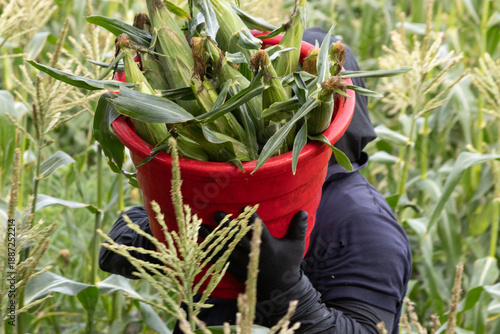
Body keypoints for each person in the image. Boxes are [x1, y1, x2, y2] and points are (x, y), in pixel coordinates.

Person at [99, 27, 412, 334]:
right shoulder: (231, 180)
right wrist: (184, 243)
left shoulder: (365, 224)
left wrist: (283, 285)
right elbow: (113, 247)